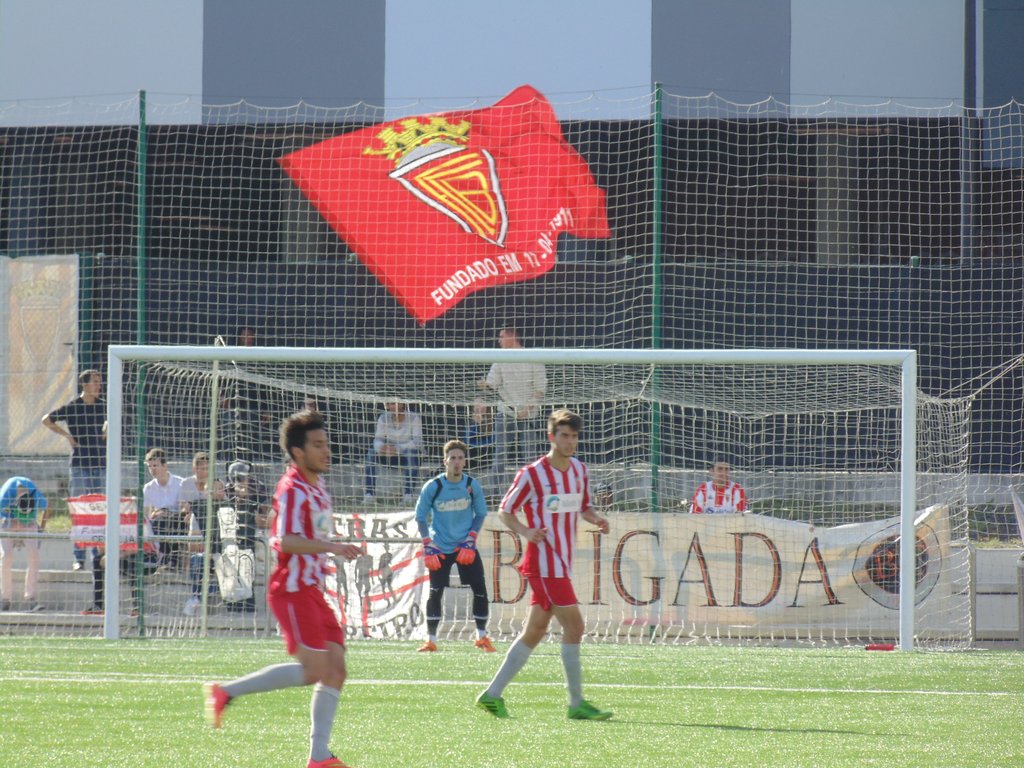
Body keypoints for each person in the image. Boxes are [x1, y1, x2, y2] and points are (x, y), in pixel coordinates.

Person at [204, 409, 362, 768]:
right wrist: (332, 547)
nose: (326, 450)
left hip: (312, 590)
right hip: (291, 591)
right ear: (297, 452)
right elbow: (285, 540)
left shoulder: (317, 486)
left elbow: (313, 534)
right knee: (314, 670)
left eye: (326, 443)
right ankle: (224, 692)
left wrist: (329, 548)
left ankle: (319, 757)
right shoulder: (292, 490)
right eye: (317, 445)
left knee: (336, 668)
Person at [476, 409, 612, 721]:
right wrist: (526, 532)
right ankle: (576, 703)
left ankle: (491, 695)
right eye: (564, 436)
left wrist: (596, 519)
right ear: (551, 437)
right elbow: (505, 510)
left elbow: (584, 507)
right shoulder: (532, 474)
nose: (570, 442)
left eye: (574, 436)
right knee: (575, 627)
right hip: (544, 563)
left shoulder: (579, 470)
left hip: (561, 563)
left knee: (535, 630)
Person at [414, 439, 494, 653]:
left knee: (480, 590)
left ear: (465, 461)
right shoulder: (434, 486)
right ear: (445, 461)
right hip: (440, 547)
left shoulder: (471, 485)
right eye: (452, 458)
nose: (456, 462)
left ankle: (482, 637)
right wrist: (427, 543)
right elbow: (420, 517)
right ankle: (431, 640)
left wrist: (471, 538)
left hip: (464, 546)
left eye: (460, 458)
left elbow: (481, 514)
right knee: (435, 592)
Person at [42, 368, 106, 570]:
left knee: (98, 511)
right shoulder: (73, 407)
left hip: (101, 465)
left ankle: (97, 556)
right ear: (84, 385)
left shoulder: (103, 406)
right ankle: (79, 557)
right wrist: (67, 435)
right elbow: (46, 420)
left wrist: (107, 429)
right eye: (95, 381)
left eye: (99, 381)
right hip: (80, 466)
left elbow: (113, 421)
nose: (99, 386)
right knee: (79, 510)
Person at [477, 327, 546, 476]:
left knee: (530, 457)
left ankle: (532, 488)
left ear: (512, 336)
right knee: (499, 456)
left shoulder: (533, 357)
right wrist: (484, 385)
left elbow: (540, 390)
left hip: (529, 415)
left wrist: (526, 410)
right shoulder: (500, 359)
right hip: (505, 412)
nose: (499, 341)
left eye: (502, 336)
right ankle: (495, 489)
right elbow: (492, 384)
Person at [219, 459, 271, 614]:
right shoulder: (227, 489)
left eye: (242, 477)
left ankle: (248, 602)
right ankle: (232, 603)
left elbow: (265, 514)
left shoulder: (258, 487)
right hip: (231, 534)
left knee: (247, 565)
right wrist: (237, 497)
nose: (239, 481)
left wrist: (248, 498)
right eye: (235, 478)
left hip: (252, 534)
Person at [180, 452, 227, 617]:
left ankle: (199, 597)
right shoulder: (196, 506)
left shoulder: (225, 506)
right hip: (203, 549)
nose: (205, 472)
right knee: (197, 560)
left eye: (208, 469)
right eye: (202, 469)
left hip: (221, 548)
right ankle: (198, 597)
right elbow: (192, 545)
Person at [0, 477, 49, 612]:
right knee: (6, 557)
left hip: (29, 524)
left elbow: (47, 507)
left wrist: (42, 528)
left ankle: (30, 598)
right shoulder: (4, 497)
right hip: (8, 522)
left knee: (34, 556)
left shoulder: (34, 494)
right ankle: (5, 599)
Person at [363, 401, 423, 505]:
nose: (395, 406)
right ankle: (369, 495)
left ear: (403, 404)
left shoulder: (414, 417)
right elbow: (378, 439)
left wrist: (397, 449)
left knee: (411, 453)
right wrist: (381, 448)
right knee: (371, 453)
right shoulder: (383, 418)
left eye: (398, 403)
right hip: (389, 455)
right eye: (392, 404)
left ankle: (408, 495)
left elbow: (417, 442)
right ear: (387, 406)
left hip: (409, 456)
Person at [143, 448, 187, 570]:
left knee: (170, 521)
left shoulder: (180, 483)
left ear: (165, 465)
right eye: (150, 466)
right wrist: (156, 514)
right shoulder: (148, 488)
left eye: (155, 466)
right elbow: (147, 515)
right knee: (157, 522)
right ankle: (165, 560)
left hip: (177, 520)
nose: (152, 469)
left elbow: (184, 509)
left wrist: (167, 513)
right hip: (158, 521)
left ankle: (169, 560)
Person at [462, 400, 496, 470]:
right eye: (477, 405)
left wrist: (478, 444)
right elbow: (467, 440)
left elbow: (493, 440)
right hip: (472, 453)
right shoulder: (469, 420)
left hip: (487, 454)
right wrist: (475, 424)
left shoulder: (493, 420)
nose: (479, 407)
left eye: (482, 404)